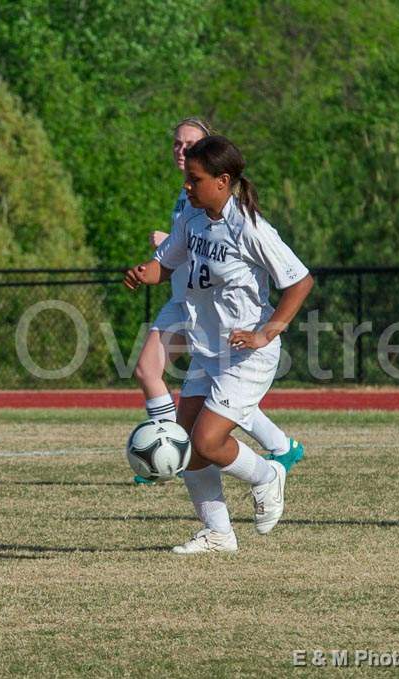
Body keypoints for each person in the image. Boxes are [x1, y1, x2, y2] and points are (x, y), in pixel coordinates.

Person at [124, 135, 313, 554]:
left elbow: (300, 281)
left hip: (248, 355)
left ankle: (267, 475)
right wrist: (143, 274)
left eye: (195, 179)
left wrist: (268, 331)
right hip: (208, 351)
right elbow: (165, 265)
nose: (187, 187)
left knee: (209, 442)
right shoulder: (190, 221)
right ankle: (219, 534)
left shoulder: (250, 227)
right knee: (189, 445)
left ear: (223, 181)